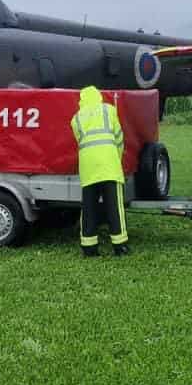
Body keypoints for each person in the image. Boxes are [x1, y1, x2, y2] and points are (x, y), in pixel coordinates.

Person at [71, 85, 129, 257]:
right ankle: (120, 247)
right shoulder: (109, 110)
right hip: (109, 167)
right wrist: (116, 159)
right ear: (98, 97)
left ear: (81, 101)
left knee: (89, 209)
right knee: (114, 208)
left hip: (88, 170)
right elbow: (119, 137)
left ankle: (89, 247)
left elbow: (80, 142)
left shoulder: (76, 119)